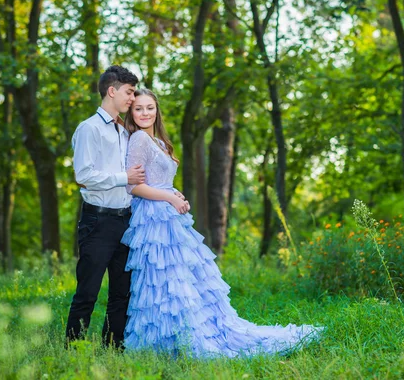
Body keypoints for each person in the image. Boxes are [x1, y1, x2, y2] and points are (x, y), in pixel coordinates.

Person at [121, 88, 322, 358]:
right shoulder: (138, 140)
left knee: (182, 278)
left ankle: (184, 333)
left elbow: (159, 179)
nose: (145, 113)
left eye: (150, 107)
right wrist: (169, 197)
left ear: (157, 110)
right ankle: (165, 340)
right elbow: (134, 188)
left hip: (168, 214)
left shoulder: (156, 140)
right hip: (154, 219)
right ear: (131, 113)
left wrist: (174, 193)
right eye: (139, 108)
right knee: (162, 278)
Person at [65, 66, 188, 349]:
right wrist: (125, 178)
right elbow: (83, 176)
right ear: (112, 91)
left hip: (126, 220)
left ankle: (113, 347)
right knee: (88, 290)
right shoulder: (90, 129)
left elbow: (146, 172)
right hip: (98, 221)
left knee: (122, 292)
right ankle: (73, 349)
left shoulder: (123, 130)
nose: (132, 99)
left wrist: (169, 191)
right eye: (129, 92)